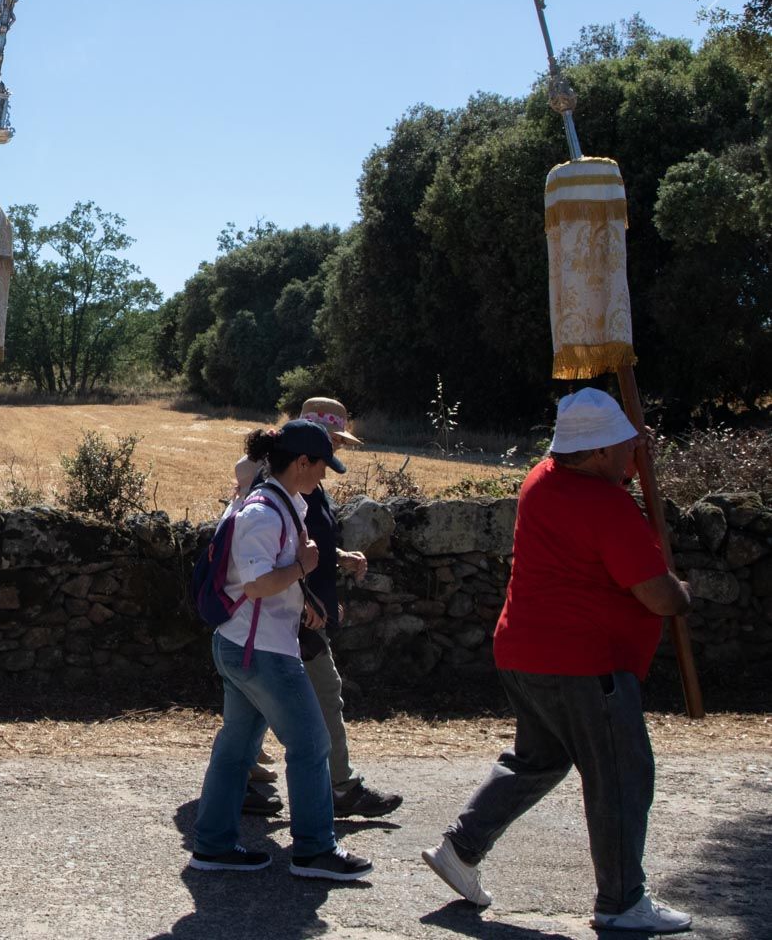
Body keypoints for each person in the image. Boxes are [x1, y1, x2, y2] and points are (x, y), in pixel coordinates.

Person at [422, 388, 693, 934]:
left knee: (538, 759)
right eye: (623, 444)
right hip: (586, 663)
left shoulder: (542, 479)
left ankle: (462, 848)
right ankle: (621, 902)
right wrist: (682, 592)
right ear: (596, 452)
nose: (632, 452)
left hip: (524, 651)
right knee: (620, 777)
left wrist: (633, 470)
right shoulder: (605, 505)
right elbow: (658, 597)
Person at [190, 420, 372, 882]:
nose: (325, 477)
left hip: (244, 646)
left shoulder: (283, 503)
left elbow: (270, 580)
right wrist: (302, 567)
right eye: (321, 466)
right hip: (261, 652)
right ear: (301, 462)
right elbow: (255, 583)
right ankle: (313, 851)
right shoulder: (264, 513)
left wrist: (304, 596)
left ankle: (212, 846)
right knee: (312, 744)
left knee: (236, 750)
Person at [292, 397, 402, 819]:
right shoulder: (289, 484)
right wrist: (306, 598)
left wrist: (339, 556)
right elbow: (279, 547)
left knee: (263, 702)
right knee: (326, 695)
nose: (336, 449)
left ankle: (245, 783)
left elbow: (307, 540)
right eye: (333, 440)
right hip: (301, 615)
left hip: (302, 609)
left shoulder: (307, 482)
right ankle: (340, 788)